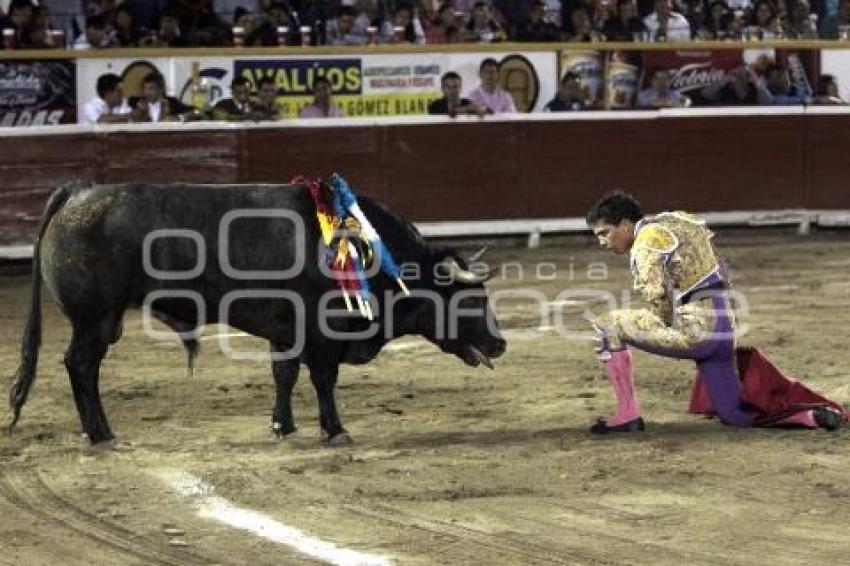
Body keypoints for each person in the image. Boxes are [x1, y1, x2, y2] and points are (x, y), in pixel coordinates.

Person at [585, 191, 844, 433]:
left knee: (609, 325)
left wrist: (662, 324)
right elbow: (720, 265)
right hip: (723, 325)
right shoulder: (676, 220)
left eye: (605, 233)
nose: (602, 242)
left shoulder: (645, 243)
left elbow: (656, 293)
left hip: (698, 331)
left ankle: (627, 415)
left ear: (626, 224)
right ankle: (810, 417)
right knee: (736, 415)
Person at [701, 65, 772, 105]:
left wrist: (756, 81)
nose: (738, 78)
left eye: (742, 75)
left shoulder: (755, 89)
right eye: (735, 74)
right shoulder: (725, 89)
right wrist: (722, 81)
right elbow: (706, 94)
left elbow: (768, 101)